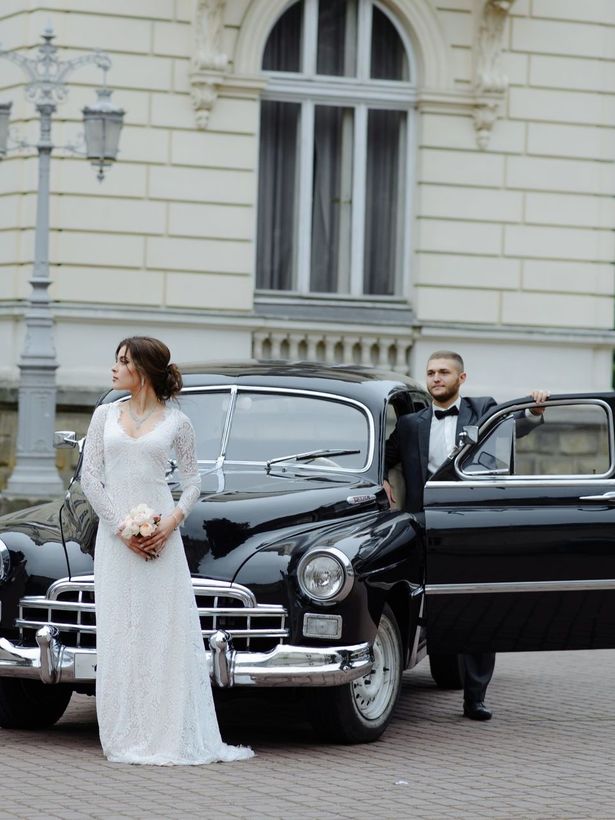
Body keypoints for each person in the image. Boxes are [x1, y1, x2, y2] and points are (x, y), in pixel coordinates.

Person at [81, 336, 254, 765]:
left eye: (122, 362)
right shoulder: (104, 415)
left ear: (142, 370)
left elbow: (193, 481)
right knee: (121, 633)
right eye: (116, 360)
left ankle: (168, 734)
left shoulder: (177, 423)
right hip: (115, 538)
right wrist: (123, 527)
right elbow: (90, 478)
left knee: (163, 634)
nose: (114, 369)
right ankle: (125, 735)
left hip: (162, 538)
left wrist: (169, 522)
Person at [384, 350, 549, 721]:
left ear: (461, 378)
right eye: (431, 373)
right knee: (422, 602)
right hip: (423, 525)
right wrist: (381, 475)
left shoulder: (483, 409)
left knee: (477, 607)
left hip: (471, 523)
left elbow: (514, 426)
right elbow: (385, 453)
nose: (436, 378)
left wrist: (534, 410)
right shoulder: (411, 424)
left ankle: (475, 697)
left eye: (444, 372)